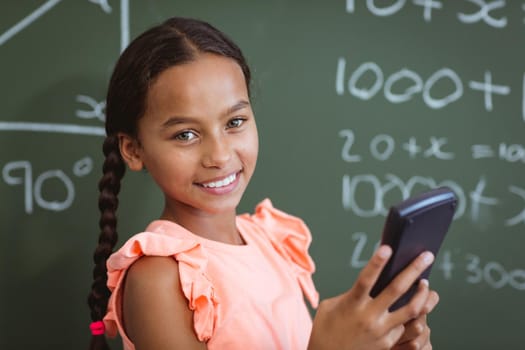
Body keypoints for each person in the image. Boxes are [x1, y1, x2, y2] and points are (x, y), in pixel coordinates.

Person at [87, 17, 439, 350]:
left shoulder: (269, 240)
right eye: (186, 134)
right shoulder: (159, 278)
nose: (220, 155)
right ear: (134, 150)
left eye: (235, 122)